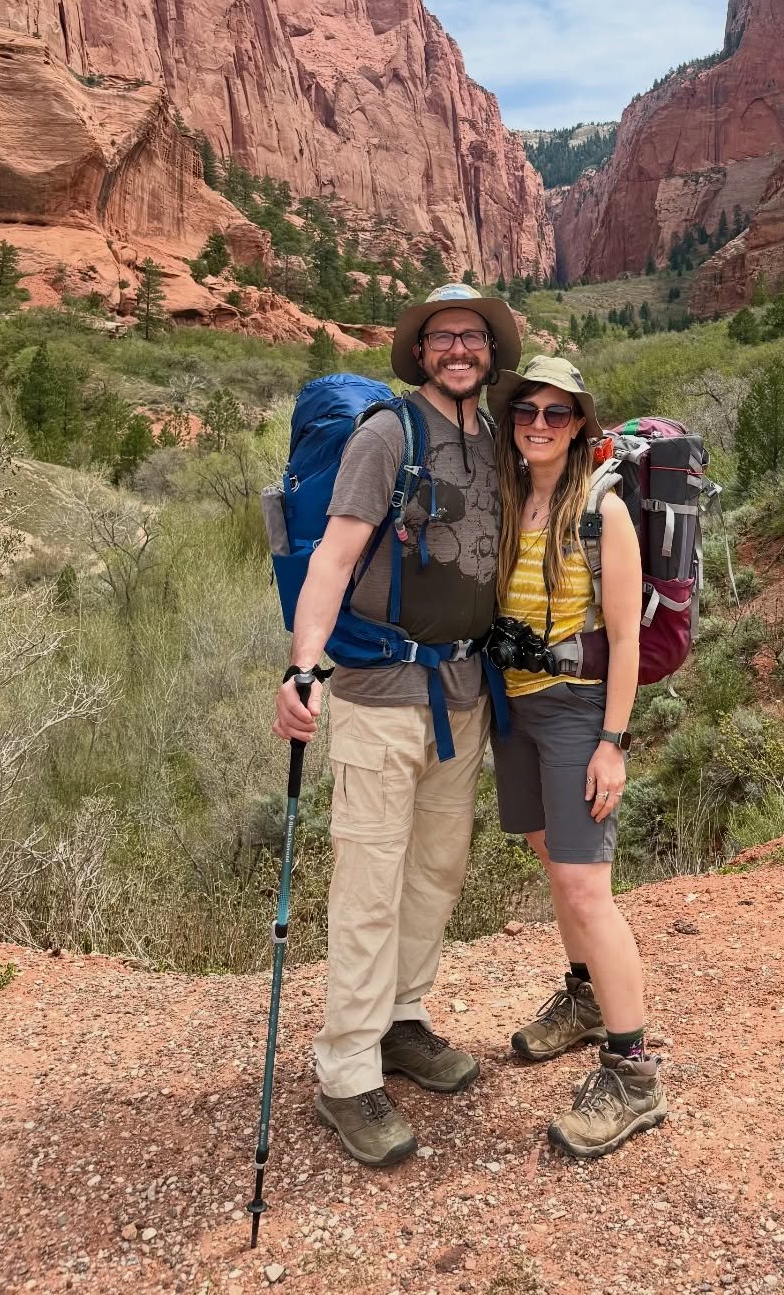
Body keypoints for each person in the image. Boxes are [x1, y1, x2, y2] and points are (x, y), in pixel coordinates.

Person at [272, 282, 521, 1168]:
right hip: (380, 696)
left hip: (462, 696)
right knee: (369, 885)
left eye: (474, 338)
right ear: (420, 353)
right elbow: (335, 558)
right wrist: (303, 668)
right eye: (444, 338)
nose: (461, 349)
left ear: (491, 352)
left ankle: (402, 1022)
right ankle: (344, 1073)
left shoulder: (494, 438)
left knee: (435, 875)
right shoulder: (388, 435)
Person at [484, 355, 666, 1159]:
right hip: (513, 707)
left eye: (558, 414)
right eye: (528, 411)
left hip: (576, 712)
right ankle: (587, 997)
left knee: (588, 887)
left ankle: (632, 1073)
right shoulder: (506, 498)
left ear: (580, 425)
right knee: (551, 860)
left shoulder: (602, 509)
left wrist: (613, 744)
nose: (540, 425)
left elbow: (625, 637)